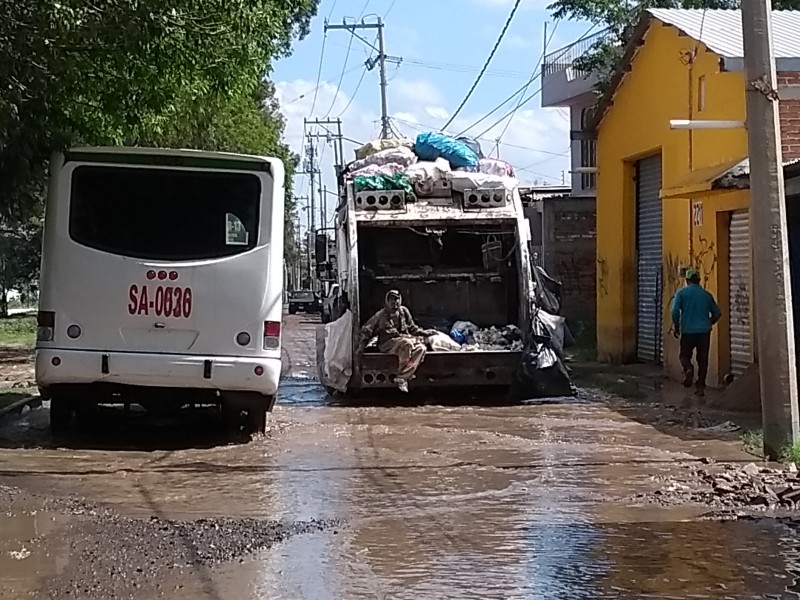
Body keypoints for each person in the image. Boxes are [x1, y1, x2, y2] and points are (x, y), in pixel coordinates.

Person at [359, 290, 437, 392]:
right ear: (387, 301)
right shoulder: (380, 316)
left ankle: (403, 377)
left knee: (421, 348)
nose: (394, 302)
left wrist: (425, 333)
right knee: (407, 343)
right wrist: (361, 346)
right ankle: (403, 374)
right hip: (387, 344)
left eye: (397, 299)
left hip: (403, 342)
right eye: (392, 299)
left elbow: (413, 328)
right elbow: (367, 330)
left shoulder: (404, 312)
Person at [670, 267, 722, 396]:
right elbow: (717, 313)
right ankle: (700, 387)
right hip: (704, 332)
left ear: (687, 281)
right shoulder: (706, 295)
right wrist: (709, 322)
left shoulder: (681, 294)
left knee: (684, 356)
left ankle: (688, 369)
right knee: (702, 359)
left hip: (688, 331)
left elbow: (674, 311)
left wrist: (677, 326)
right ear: (699, 280)